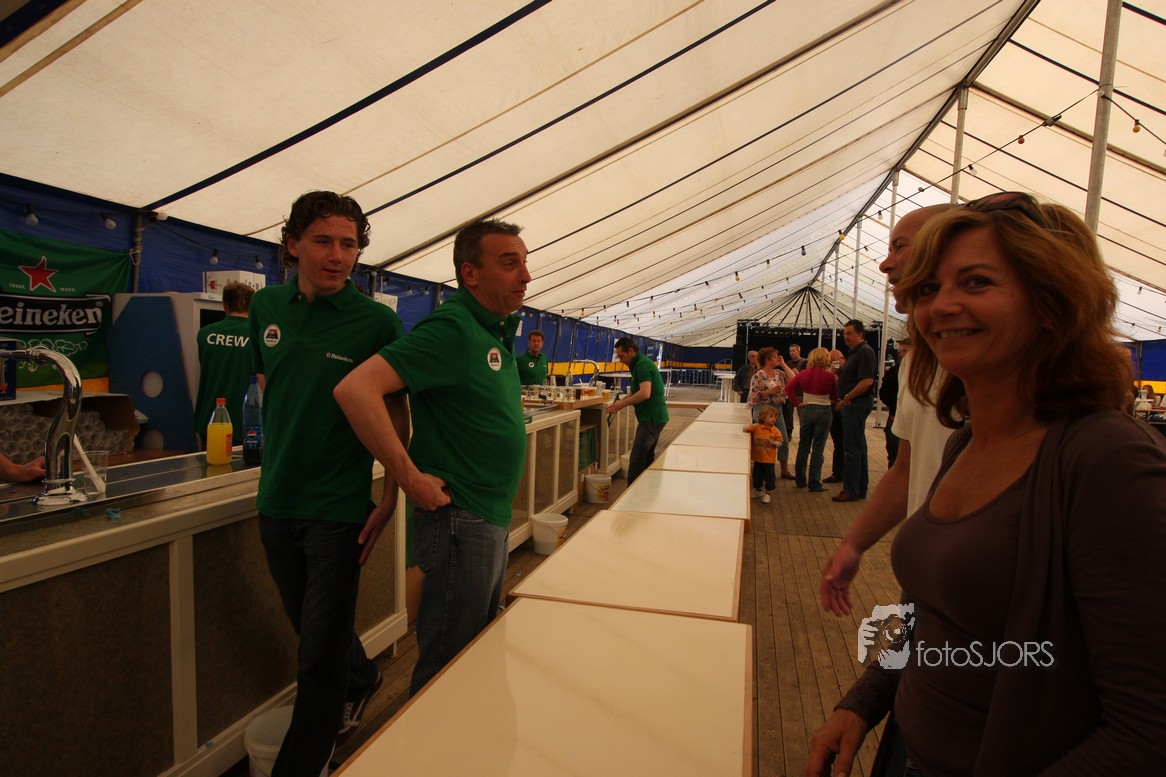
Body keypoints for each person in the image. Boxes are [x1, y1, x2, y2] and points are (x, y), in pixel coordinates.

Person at [809, 193, 1166, 774]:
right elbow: (935, 620)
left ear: (1051, 301)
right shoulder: (966, 442)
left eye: (976, 282)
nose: (942, 305)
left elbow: (1148, 729)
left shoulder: (1107, 460)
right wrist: (866, 700)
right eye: (929, 288)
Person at [334, 218, 530, 697]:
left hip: (487, 515)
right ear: (470, 273)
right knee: (448, 667)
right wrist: (408, 477)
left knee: (472, 653)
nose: (525, 276)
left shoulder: (490, 329)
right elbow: (356, 389)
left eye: (525, 263)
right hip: (461, 519)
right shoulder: (453, 329)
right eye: (510, 264)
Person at [248, 191, 406, 777]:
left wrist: (391, 492)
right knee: (313, 628)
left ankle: (304, 763)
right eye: (323, 241)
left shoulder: (377, 323)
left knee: (316, 658)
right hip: (275, 500)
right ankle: (362, 677)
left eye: (349, 244)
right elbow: (271, 389)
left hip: (338, 509)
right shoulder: (265, 307)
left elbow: (396, 414)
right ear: (293, 245)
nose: (338, 256)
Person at [819, 204, 956, 617]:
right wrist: (854, 543)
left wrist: (848, 398)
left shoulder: (1004, 372)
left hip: (976, 583)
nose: (884, 263)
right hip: (924, 569)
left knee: (855, 449)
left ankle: (852, 485)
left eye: (901, 247)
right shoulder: (920, 363)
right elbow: (907, 467)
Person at [194, 281, 255, 445]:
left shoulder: (205, 334)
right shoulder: (259, 335)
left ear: (224, 304)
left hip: (210, 419)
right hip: (247, 422)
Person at [607, 337, 669, 483]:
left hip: (651, 418)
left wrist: (621, 404)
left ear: (631, 351)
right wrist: (621, 401)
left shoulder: (642, 365)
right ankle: (649, 492)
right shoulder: (638, 364)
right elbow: (637, 391)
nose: (621, 360)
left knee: (636, 460)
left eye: (622, 356)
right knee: (647, 458)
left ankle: (631, 495)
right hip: (656, 417)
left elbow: (645, 393)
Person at [832, 320, 877, 502]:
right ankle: (859, 488)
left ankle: (850, 489)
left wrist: (848, 396)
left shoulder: (864, 351)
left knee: (851, 448)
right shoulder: (855, 353)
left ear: (860, 334)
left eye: (849, 333)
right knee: (859, 447)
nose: (846, 337)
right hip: (853, 403)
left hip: (855, 404)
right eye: (844, 334)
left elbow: (867, 381)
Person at [784, 347, 838, 492]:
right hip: (824, 410)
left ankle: (800, 480)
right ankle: (815, 483)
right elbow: (834, 396)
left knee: (803, 446)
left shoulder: (803, 374)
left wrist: (797, 404)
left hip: (806, 410)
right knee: (818, 448)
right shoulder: (830, 376)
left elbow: (788, 388)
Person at [748, 347, 796, 480]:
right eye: (775, 357)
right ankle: (759, 470)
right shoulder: (758, 376)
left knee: (783, 440)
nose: (777, 358)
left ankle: (784, 470)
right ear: (767, 360)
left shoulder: (779, 373)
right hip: (763, 410)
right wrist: (769, 392)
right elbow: (753, 397)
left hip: (777, 410)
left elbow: (794, 379)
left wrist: (783, 364)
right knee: (762, 441)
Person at [878, 338, 909, 469]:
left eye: (905, 351)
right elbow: (884, 393)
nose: (901, 354)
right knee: (894, 457)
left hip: (910, 423)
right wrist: (895, 405)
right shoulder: (895, 371)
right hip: (895, 418)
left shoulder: (922, 373)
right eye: (900, 351)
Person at [743, 405, 782, 504]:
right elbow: (747, 428)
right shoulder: (757, 427)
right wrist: (747, 429)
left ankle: (768, 493)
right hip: (758, 458)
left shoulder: (775, 431)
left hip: (769, 460)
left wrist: (775, 443)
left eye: (775, 417)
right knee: (757, 475)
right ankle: (758, 490)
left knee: (769, 477)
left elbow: (780, 441)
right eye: (771, 416)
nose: (773, 419)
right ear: (763, 417)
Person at [824, 349, 846, 484]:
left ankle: (846, 474)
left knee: (847, 443)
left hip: (845, 408)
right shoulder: (831, 374)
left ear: (843, 359)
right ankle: (838, 473)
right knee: (838, 443)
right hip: (833, 408)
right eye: (831, 362)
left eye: (835, 361)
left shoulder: (849, 373)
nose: (833, 364)